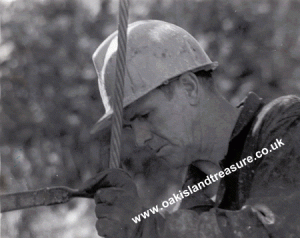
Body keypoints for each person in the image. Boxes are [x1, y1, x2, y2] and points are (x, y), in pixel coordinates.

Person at [83, 20, 300, 237]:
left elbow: (274, 228)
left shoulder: (285, 123)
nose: (140, 139)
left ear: (189, 87)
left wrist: (149, 229)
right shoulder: (195, 198)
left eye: (145, 115)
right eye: (131, 126)